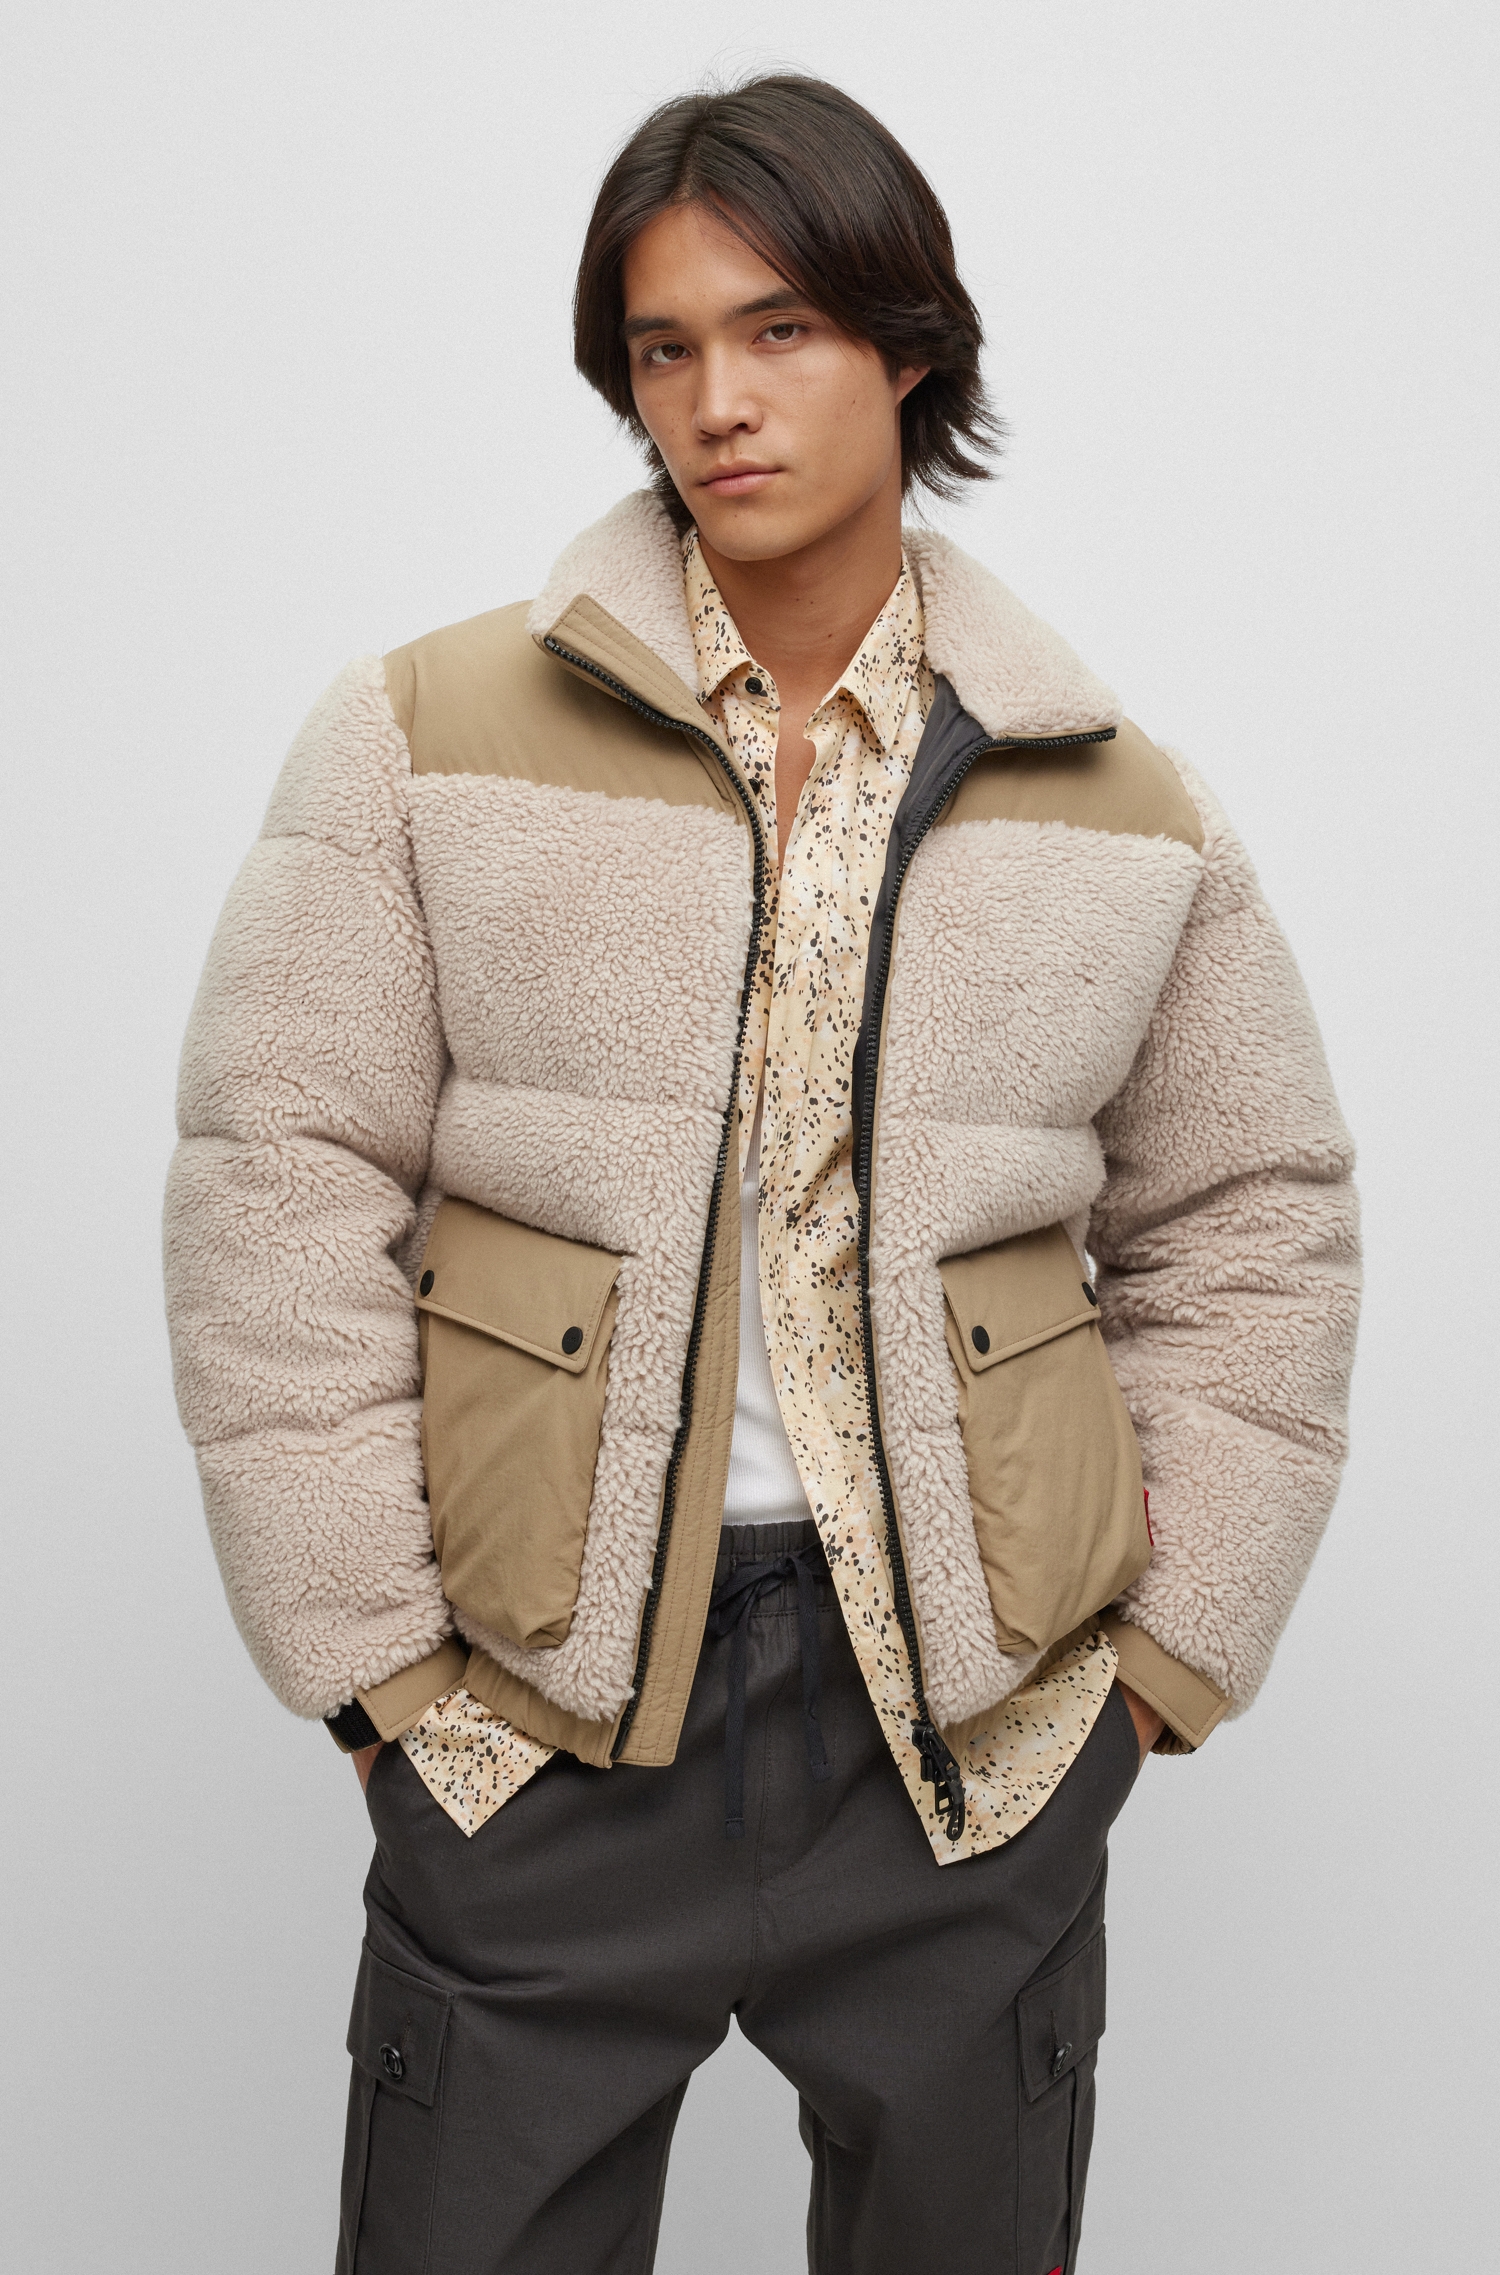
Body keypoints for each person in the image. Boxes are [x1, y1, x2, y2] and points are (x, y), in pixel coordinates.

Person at [163, 72, 1360, 2275]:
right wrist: (383, 1685)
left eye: (781, 328)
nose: (716, 401)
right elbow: (279, 1184)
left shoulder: (1121, 801)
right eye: (665, 347)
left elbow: (1252, 1217)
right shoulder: (420, 739)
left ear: (909, 346)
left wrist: (1156, 1671)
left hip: (967, 1747)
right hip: (540, 1718)